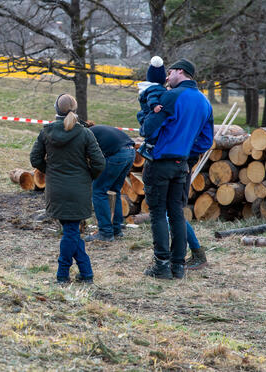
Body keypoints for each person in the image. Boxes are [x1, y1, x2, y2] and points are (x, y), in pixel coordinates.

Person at [140, 58, 213, 279]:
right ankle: (178, 266)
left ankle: (161, 265)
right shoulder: (204, 102)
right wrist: (186, 155)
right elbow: (205, 141)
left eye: (169, 72)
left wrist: (146, 113)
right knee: (177, 214)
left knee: (158, 214)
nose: (166, 77)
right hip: (182, 165)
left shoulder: (171, 96)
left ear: (180, 72)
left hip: (161, 162)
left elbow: (148, 129)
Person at [30, 94, 105, 284]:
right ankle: (69, 274)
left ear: (56, 109)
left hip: (56, 189)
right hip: (78, 189)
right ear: (75, 109)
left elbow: (35, 159)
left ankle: (73, 274)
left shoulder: (46, 131)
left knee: (70, 230)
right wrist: (87, 176)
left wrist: (51, 171)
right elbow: (99, 162)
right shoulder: (85, 133)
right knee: (71, 231)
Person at [83, 123, 136, 242]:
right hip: (131, 152)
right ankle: (116, 229)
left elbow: (91, 159)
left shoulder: (86, 135)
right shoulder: (99, 130)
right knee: (114, 190)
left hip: (117, 155)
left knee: (98, 191)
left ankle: (105, 232)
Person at [136, 56, 168, 160]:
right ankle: (146, 149)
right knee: (153, 134)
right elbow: (152, 97)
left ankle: (146, 147)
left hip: (146, 113)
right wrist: (155, 106)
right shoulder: (155, 89)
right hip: (152, 111)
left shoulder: (149, 88)